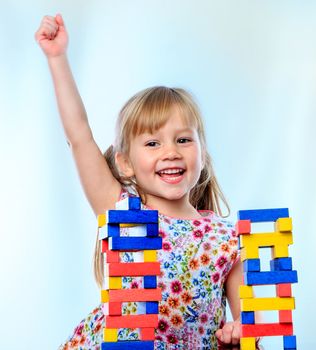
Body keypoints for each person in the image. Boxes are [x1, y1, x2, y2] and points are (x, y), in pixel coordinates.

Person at [35, 13, 246, 350]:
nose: (170, 152)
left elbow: (251, 330)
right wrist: (58, 58)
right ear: (124, 163)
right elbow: (80, 136)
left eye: (183, 140)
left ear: (202, 152)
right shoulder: (122, 214)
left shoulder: (228, 240)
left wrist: (238, 338)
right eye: (152, 143)